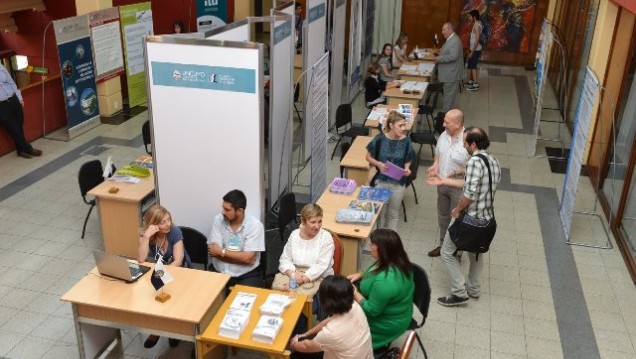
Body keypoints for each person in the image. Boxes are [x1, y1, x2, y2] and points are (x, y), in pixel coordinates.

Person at [427, 127, 501, 306]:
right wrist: (456, 174)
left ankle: (459, 292)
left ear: (473, 144)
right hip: (487, 219)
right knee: (475, 254)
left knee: (447, 252)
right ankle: (474, 290)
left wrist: (457, 210)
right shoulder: (492, 160)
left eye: (465, 143)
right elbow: (478, 181)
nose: (463, 145)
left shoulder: (475, 161)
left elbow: (468, 193)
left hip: (470, 219)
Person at [346, 229, 414, 354]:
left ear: (383, 250)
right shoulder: (395, 260)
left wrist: (354, 292)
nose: (369, 246)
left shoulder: (386, 280)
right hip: (398, 312)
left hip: (386, 323)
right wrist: (360, 274)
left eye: (372, 244)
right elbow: (373, 271)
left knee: (344, 334)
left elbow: (372, 311)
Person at [137, 204, 192, 349]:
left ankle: (174, 331)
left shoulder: (175, 231)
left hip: (180, 271)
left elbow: (178, 260)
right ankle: (157, 330)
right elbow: (141, 259)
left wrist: (161, 275)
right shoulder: (149, 235)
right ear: (153, 224)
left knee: (173, 300)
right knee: (153, 299)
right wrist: (146, 237)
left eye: (169, 219)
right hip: (161, 271)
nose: (168, 224)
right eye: (163, 222)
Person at [290, 275, 374, 359]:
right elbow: (328, 321)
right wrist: (305, 334)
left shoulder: (330, 333)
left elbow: (306, 346)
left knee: (295, 355)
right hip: (365, 355)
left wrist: (294, 344)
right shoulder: (354, 306)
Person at [426, 109, 470, 257]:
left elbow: (473, 167)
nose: (443, 124)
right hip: (442, 184)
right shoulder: (444, 135)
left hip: (459, 189)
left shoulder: (468, 141)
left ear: (458, 124)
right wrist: (435, 165)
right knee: (443, 216)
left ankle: (455, 251)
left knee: (457, 219)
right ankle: (443, 245)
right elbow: (438, 153)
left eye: (447, 122)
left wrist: (458, 172)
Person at [365, 111, 415, 231]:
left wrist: (407, 167)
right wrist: (378, 164)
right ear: (391, 126)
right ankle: (379, 241)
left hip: (398, 183)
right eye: (400, 125)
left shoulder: (406, 141)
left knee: (393, 214)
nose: (403, 128)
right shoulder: (380, 139)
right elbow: (368, 156)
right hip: (381, 181)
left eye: (404, 125)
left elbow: (409, 157)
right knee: (380, 214)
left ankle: (390, 242)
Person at [208, 189, 265, 291]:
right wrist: (243, 258)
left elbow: (247, 259)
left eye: (227, 210)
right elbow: (213, 251)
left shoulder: (255, 226)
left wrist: (221, 252)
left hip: (246, 274)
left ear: (240, 211)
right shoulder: (218, 220)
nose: (223, 212)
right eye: (223, 208)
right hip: (219, 271)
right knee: (207, 300)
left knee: (243, 304)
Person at [276, 203, 334, 297]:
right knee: (279, 291)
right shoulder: (294, 235)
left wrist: (300, 281)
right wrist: (293, 275)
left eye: (319, 221)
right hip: (295, 273)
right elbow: (285, 259)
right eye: (313, 222)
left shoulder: (326, 238)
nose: (317, 226)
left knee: (298, 297)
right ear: (303, 221)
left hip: (318, 277)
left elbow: (321, 266)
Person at [0, 64, 42, 159]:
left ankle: (20, 151)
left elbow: (11, 82)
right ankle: (28, 149)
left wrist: (19, 98)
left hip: (14, 100)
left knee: (19, 126)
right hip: (1, 106)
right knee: (14, 130)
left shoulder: (1, 66)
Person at [434, 22, 464, 114]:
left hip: (451, 75)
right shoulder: (450, 39)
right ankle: (446, 115)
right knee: (448, 97)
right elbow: (449, 51)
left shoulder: (455, 41)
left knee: (448, 98)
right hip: (449, 74)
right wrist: (441, 51)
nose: (442, 32)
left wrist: (439, 58)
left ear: (450, 30)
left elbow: (453, 56)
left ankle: (444, 117)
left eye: (444, 30)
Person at [465, 10, 483, 91]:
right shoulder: (476, 24)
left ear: (474, 17)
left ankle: (475, 85)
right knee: (471, 65)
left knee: (473, 66)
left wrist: (472, 52)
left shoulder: (477, 25)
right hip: (474, 49)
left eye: (470, 17)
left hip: (475, 50)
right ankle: (471, 81)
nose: (469, 18)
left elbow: (477, 39)